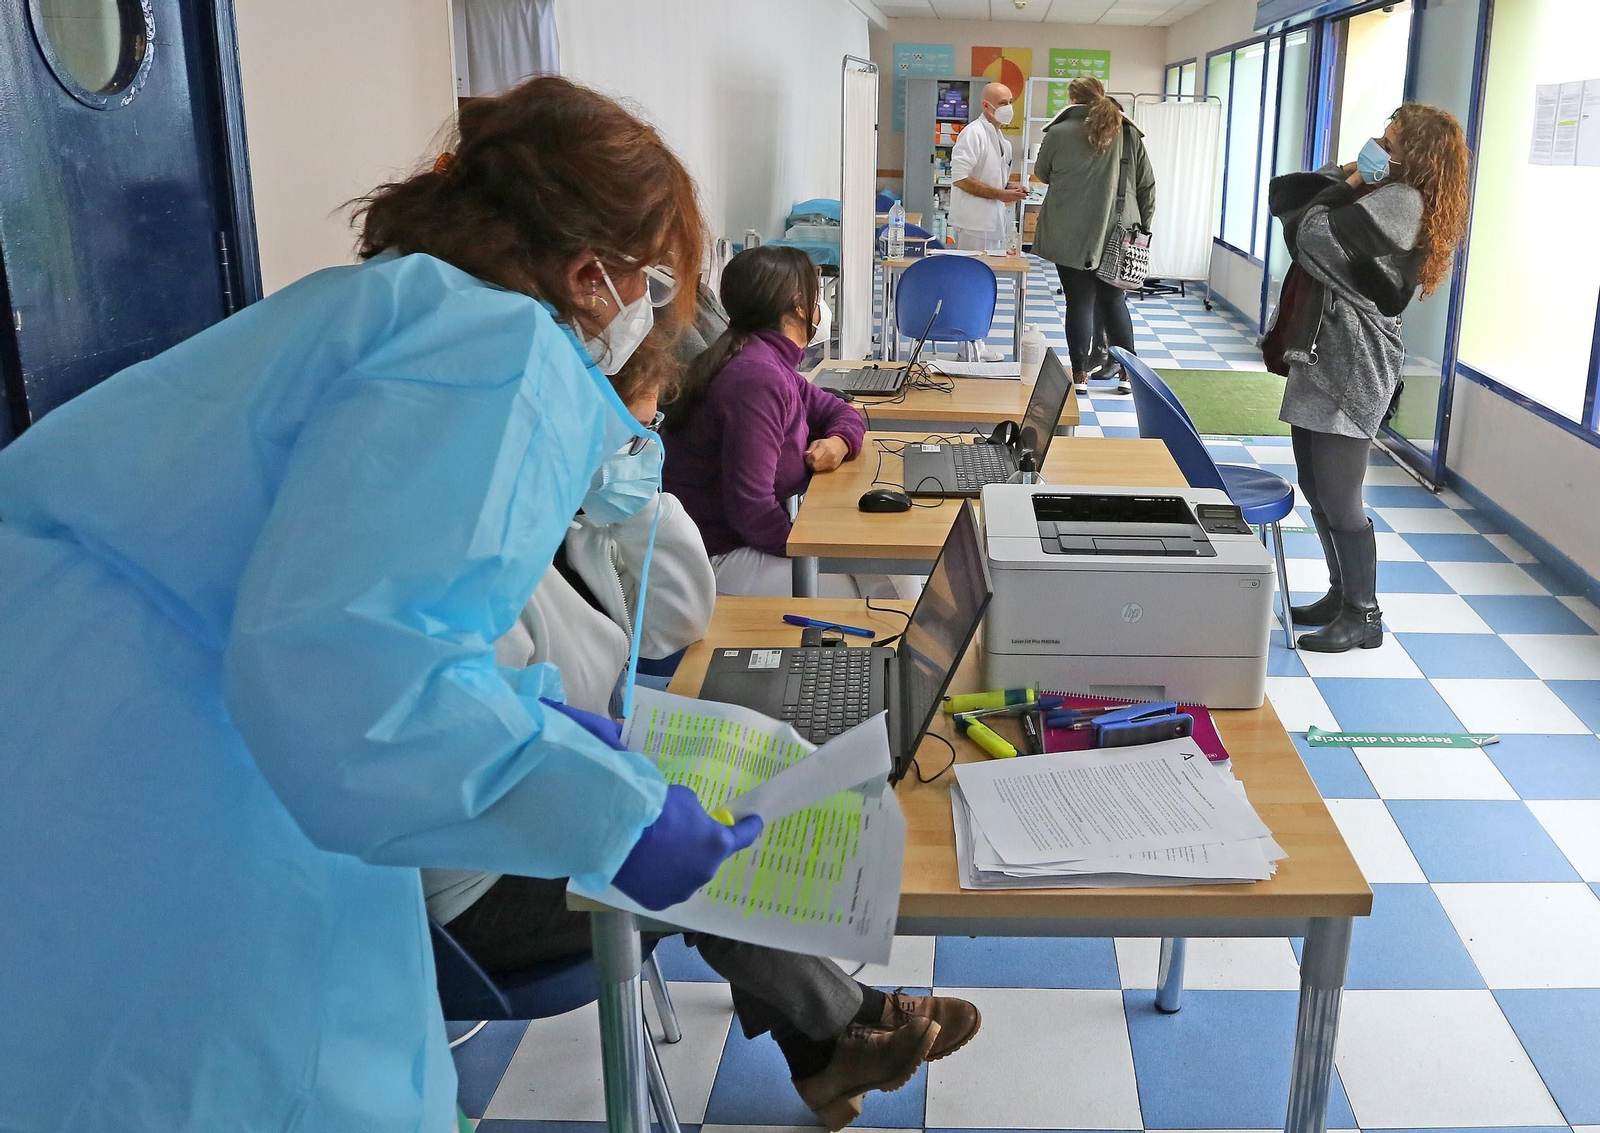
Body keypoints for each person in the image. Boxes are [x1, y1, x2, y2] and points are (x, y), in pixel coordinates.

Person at [0, 76, 766, 1133]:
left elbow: (339, 613)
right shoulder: (498, 350)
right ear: (596, 275)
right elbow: (356, 671)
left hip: (84, 734)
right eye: (656, 288)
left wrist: (529, 720)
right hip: (154, 789)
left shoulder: (373, 308)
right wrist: (614, 811)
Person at [426, 356, 980, 1131]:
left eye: (649, 427)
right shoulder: (481, 560)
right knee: (718, 863)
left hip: (556, 801)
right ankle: (844, 1023)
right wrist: (646, 789)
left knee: (729, 809)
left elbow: (678, 617)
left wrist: (635, 496)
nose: (650, 437)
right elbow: (515, 758)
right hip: (482, 885)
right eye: (633, 428)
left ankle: (829, 1047)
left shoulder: (572, 529)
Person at [1265, 104, 1470, 653]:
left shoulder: (1402, 202)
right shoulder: (1382, 193)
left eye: (1388, 139)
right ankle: (1339, 595)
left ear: (1413, 155)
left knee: (1340, 495)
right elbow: (1289, 197)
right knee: (1315, 485)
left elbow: (1312, 236)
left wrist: (1352, 177)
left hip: (1353, 366)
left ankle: (1363, 615)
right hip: (1324, 355)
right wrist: (1351, 180)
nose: (1376, 143)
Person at [662, 245, 907, 599]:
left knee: (886, 569)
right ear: (797, 304)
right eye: (816, 294)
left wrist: (838, 443)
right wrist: (814, 546)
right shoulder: (755, 379)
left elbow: (841, 412)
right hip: (716, 557)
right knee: (880, 593)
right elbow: (752, 509)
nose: (820, 307)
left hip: (742, 539)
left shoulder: (762, 358)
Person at [1031, 75, 1155, 395]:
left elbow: (1043, 173)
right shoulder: (1127, 133)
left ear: (1072, 99)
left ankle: (1080, 376)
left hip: (1067, 231)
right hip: (1120, 231)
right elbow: (1146, 186)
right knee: (1114, 302)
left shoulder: (1058, 133)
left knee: (1079, 302)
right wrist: (1143, 229)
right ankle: (1127, 376)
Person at [948, 81, 1026, 361]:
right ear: (986, 105)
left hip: (992, 222)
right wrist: (1000, 194)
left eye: (1010, 101)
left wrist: (1010, 193)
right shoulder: (973, 134)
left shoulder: (1001, 140)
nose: (1008, 108)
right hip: (973, 223)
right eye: (1002, 102)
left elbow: (995, 181)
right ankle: (967, 347)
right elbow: (960, 178)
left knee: (984, 285)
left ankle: (977, 342)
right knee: (970, 284)